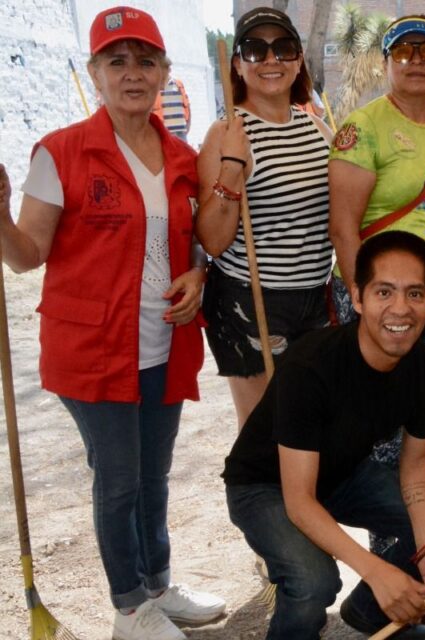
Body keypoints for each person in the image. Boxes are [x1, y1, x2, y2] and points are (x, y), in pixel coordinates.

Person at [0, 8, 224, 639]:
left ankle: (157, 585)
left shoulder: (181, 157)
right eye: (117, 61)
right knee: (120, 479)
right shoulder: (62, 152)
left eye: (145, 61)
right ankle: (130, 608)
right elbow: (26, 256)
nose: (133, 74)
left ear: (163, 73)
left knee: (154, 475)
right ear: (94, 72)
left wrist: (199, 272)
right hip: (91, 348)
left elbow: (197, 241)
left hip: (163, 343)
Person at [223, 232, 425, 639]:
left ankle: (372, 614)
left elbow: (416, 464)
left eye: (415, 294)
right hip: (266, 487)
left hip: (341, 474)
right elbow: (299, 501)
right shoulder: (310, 365)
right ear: (357, 297)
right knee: (314, 579)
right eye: (384, 292)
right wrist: (377, 570)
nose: (400, 309)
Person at [328, 15, 425, 555]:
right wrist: (363, 302)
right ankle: (392, 540)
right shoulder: (361, 127)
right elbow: (343, 228)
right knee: (378, 420)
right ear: (385, 62)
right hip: (382, 301)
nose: (415, 60)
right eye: (402, 52)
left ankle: (416, 527)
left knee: (419, 413)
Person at [197, 6, 333, 428]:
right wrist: (231, 170)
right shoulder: (226, 133)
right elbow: (213, 241)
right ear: (237, 64)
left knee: (306, 430)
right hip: (252, 299)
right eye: (255, 50)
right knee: (264, 432)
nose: (271, 60)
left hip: (314, 296)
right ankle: (259, 498)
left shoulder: (318, 129)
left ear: (298, 61)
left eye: (283, 48)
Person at [152, 77, 190, 141]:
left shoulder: (178, 84)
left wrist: (188, 126)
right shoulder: (154, 86)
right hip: (163, 133)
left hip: (181, 132)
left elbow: (187, 105)